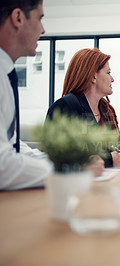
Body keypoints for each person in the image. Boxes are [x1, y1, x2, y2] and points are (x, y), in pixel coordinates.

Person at [0, 0, 53, 190]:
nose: (43, 29)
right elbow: (2, 165)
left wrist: (66, 164)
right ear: (18, 18)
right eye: (39, 19)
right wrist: (65, 171)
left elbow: (13, 146)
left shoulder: (5, 74)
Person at [46, 48, 120, 168]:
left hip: (108, 180)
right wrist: (109, 160)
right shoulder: (65, 106)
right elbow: (58, 158)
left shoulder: (106, 110)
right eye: (108, 73)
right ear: (93, 76)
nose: (112, 79)